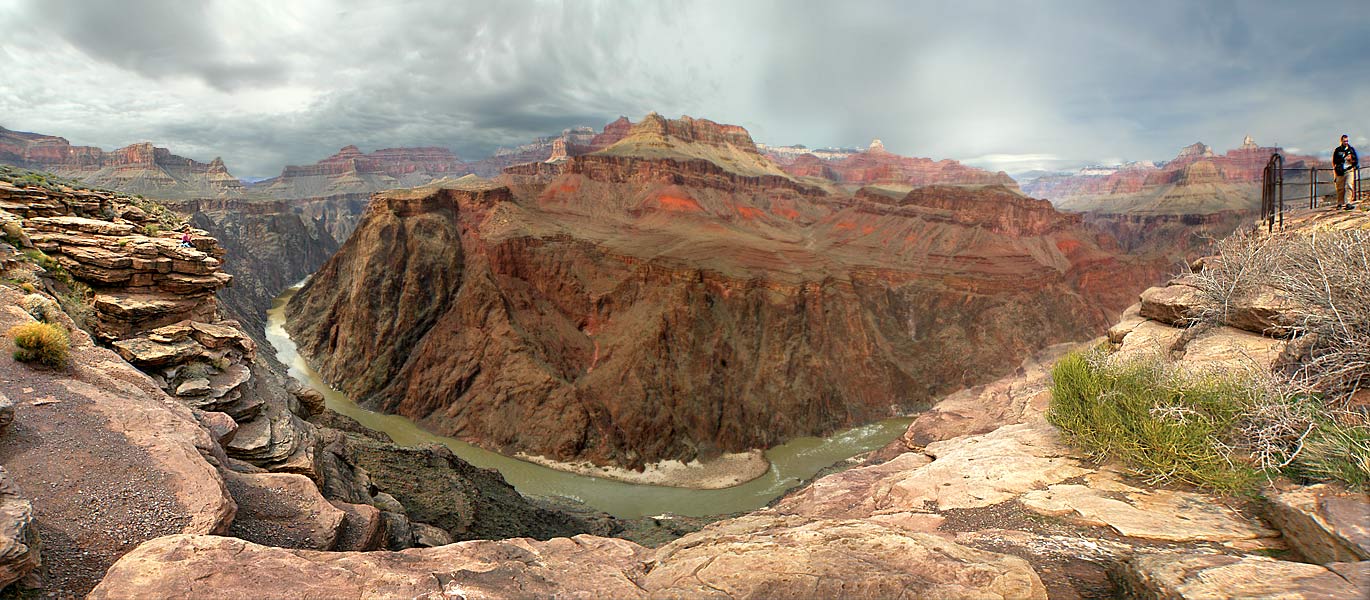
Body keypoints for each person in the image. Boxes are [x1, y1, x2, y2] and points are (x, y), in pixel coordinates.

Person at [1333, 134, 1358, 209]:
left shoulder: (1351, 149)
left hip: (1349, 170)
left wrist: (1351, 159)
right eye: (1344, 141)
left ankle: (1348, 203)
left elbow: (1356, 160)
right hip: (1340, 171)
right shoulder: (1338, 150)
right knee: (1340, 188)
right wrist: (1343, 158)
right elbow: (1335, 161)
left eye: (1347, 141)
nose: (1346, 142)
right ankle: (1340, 203)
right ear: (1341, 141)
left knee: (1349, 185)